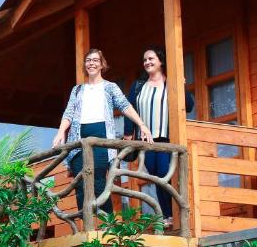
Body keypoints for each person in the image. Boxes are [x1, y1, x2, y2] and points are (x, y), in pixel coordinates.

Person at [52, 49, 153, 214]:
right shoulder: (77, 90)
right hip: (78, 141)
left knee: (98, 181)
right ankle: (86, 227)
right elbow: (68, 114)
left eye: (95, 60)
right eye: (88, 60)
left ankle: (108, 223)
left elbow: (125, 106)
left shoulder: (109, 87)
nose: (91, 63)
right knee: (81, 183)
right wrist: (61, 132)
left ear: (101, 64)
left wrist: (141, 125)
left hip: (101, 139)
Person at [124, 46, 195, 225]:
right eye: (145, 60)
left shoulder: (171, 82)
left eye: (151, 59)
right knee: (156, 176)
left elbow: (189, 105)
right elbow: (129, 109)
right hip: (145, 140)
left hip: (165, 138)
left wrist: (182, 86)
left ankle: (173, 215)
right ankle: (166, 216)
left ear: (161, 61)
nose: (147, 62)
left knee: (164, 174)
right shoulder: (138, 86)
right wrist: (128, 135)